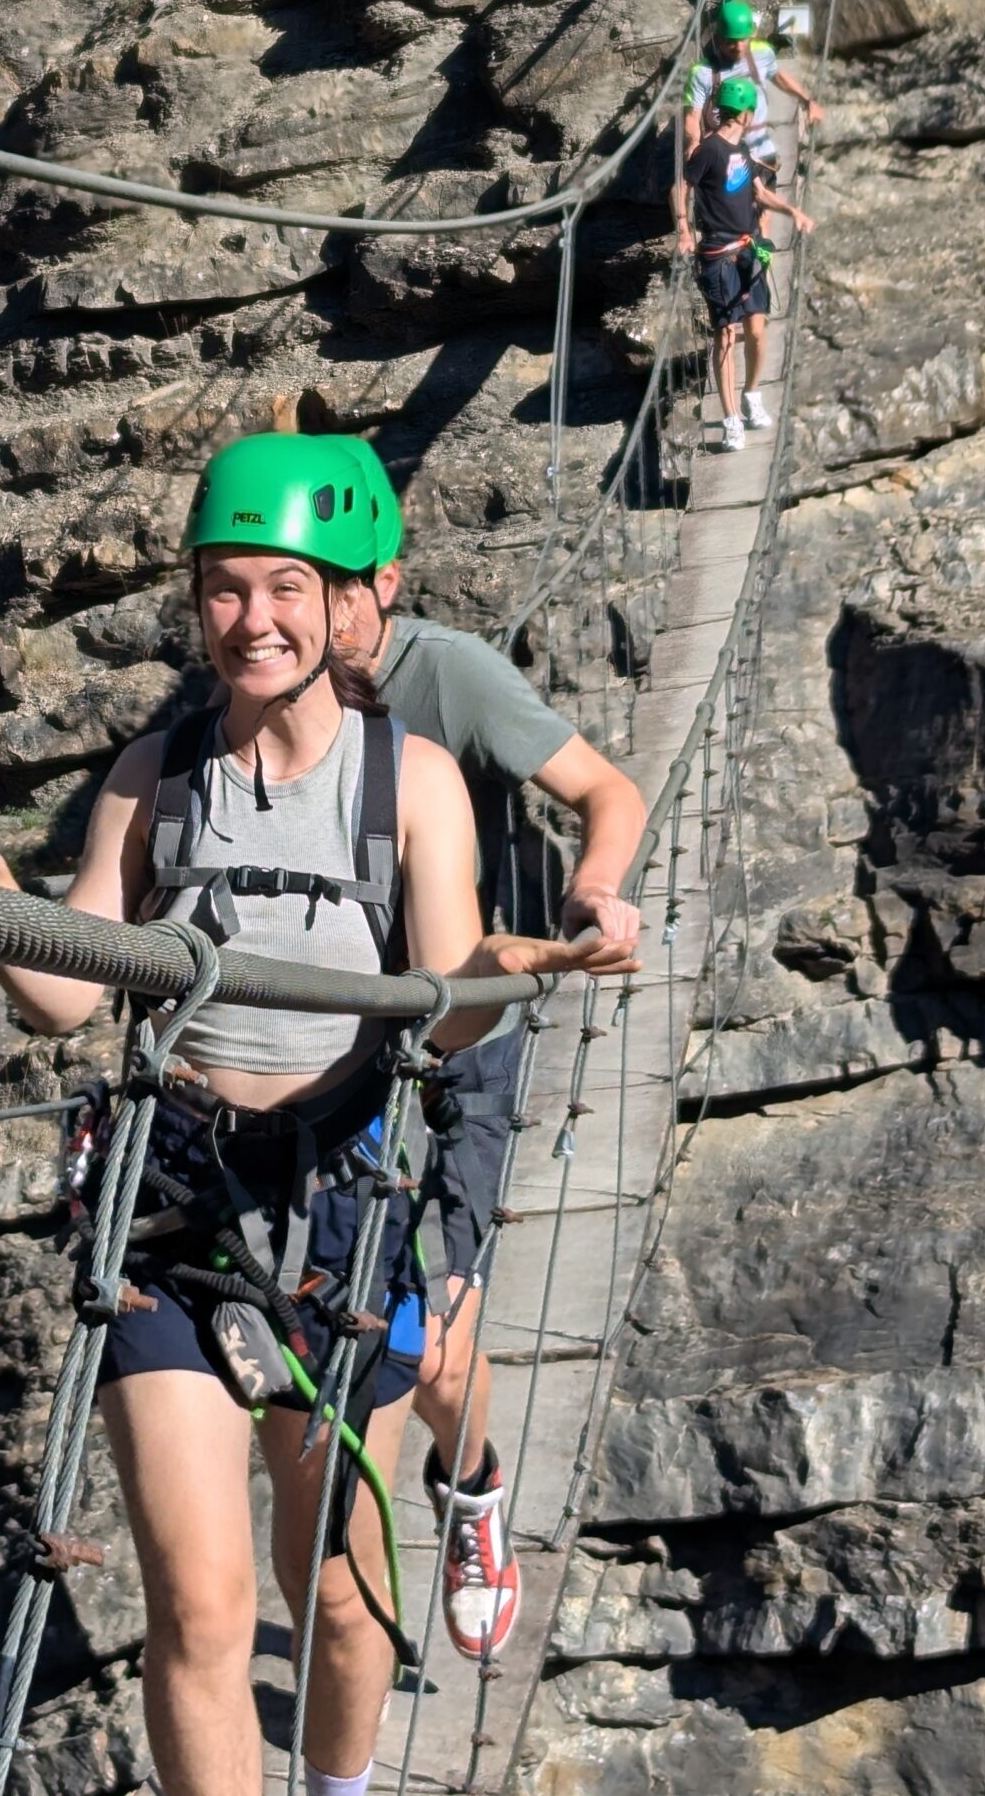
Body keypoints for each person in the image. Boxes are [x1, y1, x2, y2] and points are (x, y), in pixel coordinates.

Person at [0, 432, 569, 1796]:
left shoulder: (410, 781)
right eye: (227, 589)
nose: (252, 621)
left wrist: (509, 969)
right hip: (174, 1204)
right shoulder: (156, 774)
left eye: (285, 589)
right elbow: (67, 1001)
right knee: (193, 1612)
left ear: (347, 599)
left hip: (341, 1213)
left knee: (342, 1609)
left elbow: (447, 1009)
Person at [332, 438, 644, 1662]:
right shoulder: (243, 709)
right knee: (356, 1345)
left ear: (385, 583)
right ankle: (356, 1640)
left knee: (439, 1345)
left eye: (334, 586)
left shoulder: (445, 676)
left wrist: (594, 893)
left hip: (461, 1034)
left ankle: (470, 1496)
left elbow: (604, 791)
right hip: (329, 1046)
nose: (307, 615)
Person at [674, 76, 814, 449]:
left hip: (749, 251)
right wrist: (684, 230)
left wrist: (792, 211)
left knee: (755, 329)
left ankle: (751, 395)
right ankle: (731, 418)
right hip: (719, 254)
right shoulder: (709, 150)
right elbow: (680, 187)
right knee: (725, 335)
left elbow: (759, 193)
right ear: (747, 113)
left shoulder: (741, 150)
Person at [685, 0, 824, 186]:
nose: (738, 47)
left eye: (743, 40)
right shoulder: (702, 72)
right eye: (731, 41)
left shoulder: (763, 53)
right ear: (719, 38)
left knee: (765, 212)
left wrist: (808, 101)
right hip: (727, 157)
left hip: (762, 150)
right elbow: (693, 115)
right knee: (738, 213)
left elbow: (779, 77)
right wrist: (694, 142)